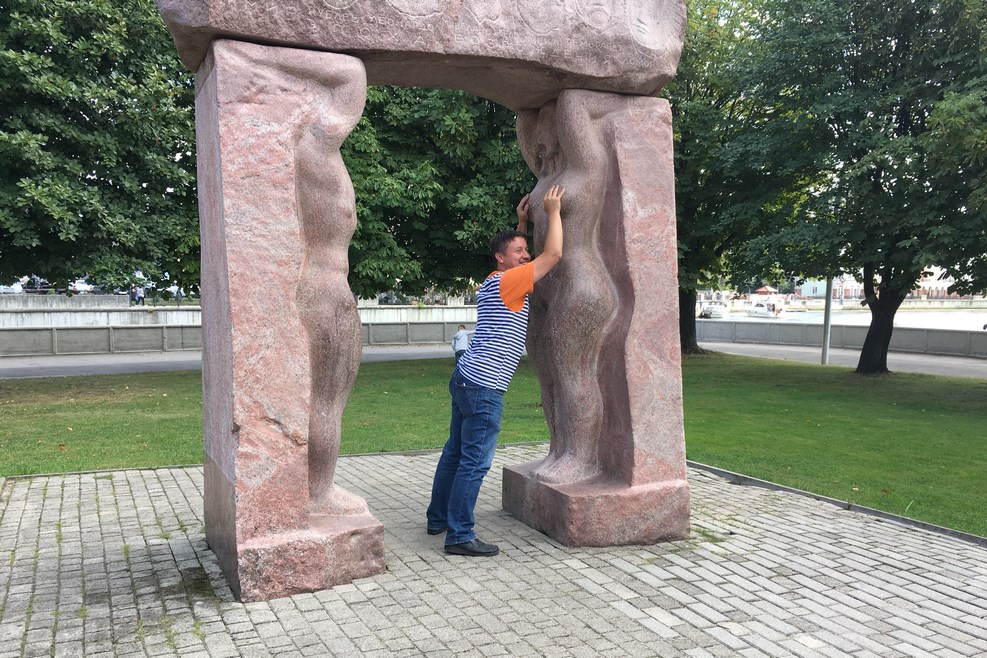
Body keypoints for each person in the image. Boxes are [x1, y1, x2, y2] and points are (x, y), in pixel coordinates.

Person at [426, 185, 567, 557]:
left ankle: (438, 518)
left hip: (466, 377)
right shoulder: (510, 280)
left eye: (525, 250)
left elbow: (518, 254)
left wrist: (521, 225)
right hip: (484, 386)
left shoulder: (494, 280)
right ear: (500, 258)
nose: (526, 255)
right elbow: (553, 254)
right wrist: (553, 211)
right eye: (519, 251)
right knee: (474, 461)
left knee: (455, 453)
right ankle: (459, 535)